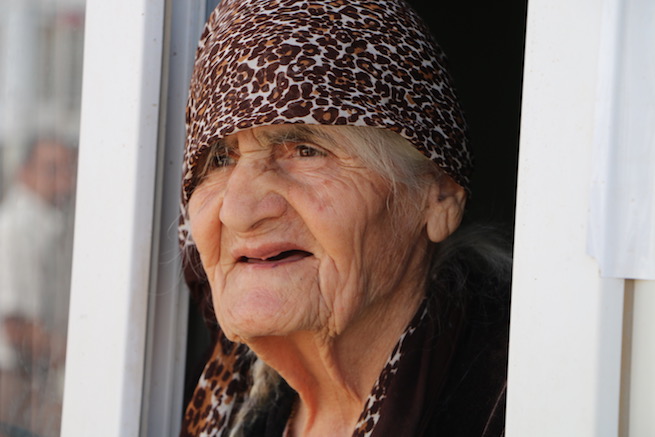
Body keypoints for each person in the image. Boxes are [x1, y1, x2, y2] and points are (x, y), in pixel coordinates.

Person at [178, 1, 511, 436]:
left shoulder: (522, 402)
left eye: (306, 150)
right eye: (220, 159)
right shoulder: (223, 406)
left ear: (438, 194)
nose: (239, 211)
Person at [0, 138, 76, 435]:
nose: (64, 181)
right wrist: (83, 353)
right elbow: (16, 328)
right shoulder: (13, 229)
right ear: (24, 172)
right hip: (10, 381)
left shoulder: (47, 226)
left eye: (68, 170)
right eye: (52, 170)